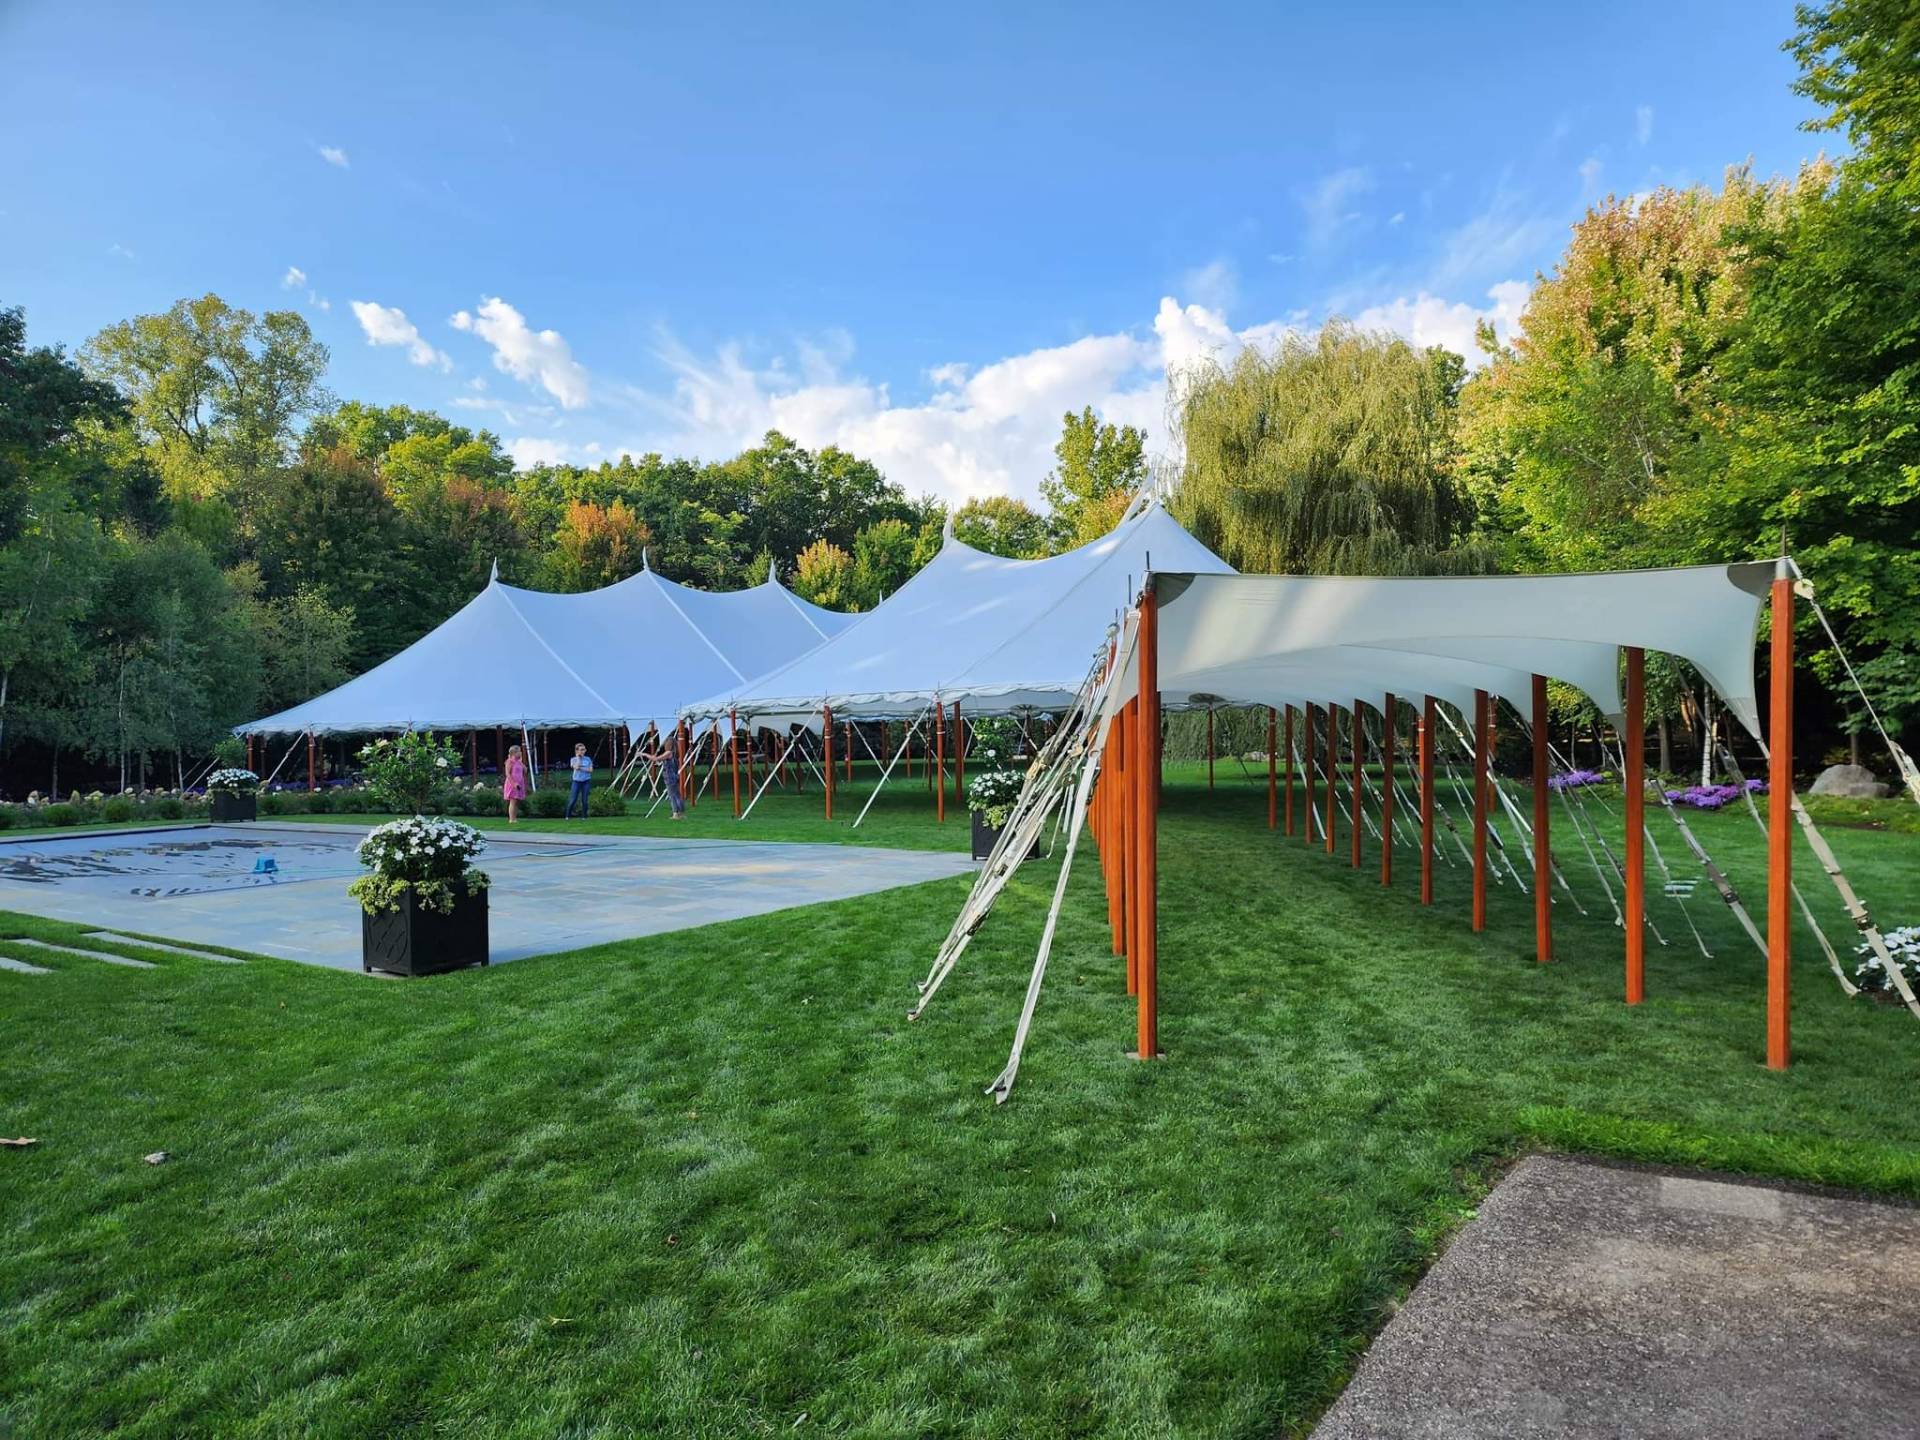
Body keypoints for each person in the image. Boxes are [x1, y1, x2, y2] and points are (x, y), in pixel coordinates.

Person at [640, 728, 685, 820]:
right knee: (677, 795)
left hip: (669, 777)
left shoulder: (668, 753)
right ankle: (680, 813)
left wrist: (644, 754)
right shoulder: (675, 754)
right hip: (675, 776)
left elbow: (655, 758)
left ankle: (675, 813)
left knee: (672, 795)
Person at [565, 742, 593, 819]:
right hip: (576, 781)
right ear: (577, 751)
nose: (583, 751)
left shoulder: (588, 759)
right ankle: (567, 816)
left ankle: (584, 817)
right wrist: (578, 758)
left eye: (584, 749)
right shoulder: (573, 759)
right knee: (573, 799)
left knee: (585, 800)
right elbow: (576, 767)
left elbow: (590, 770)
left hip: (586, 781)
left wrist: (581, 768)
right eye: (581, 750)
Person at [502, 743, 529, 824]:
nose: (520, 753)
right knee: (513, 801)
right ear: (514, 753)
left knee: (516, 801)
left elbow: (525, 770)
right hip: (512, 783)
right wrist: (514, 784)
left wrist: (521, 762)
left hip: (520, 783)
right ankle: (511, 819)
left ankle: (515, 818)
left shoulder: (519, 762)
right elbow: (508, 773)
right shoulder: (509, 761)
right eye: (519, 752)